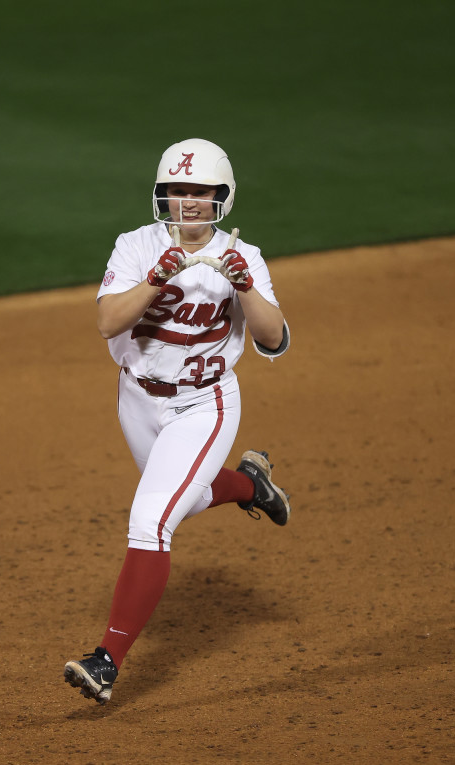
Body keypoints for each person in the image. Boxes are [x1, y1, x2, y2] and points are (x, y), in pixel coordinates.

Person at [63, 138, 292, 704]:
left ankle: (107, 660)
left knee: (151, 519)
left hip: (204, 404)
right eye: (176, 191)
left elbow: (274, 337)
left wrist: (243, 285)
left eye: (199, 191)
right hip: (138, 400)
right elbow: (107, 322)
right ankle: (249, 485)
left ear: (222, 196)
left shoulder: (247, 255)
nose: (187, 201)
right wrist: (156, 279)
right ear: (161, 196)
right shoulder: (136, 246)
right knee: (182, 497)